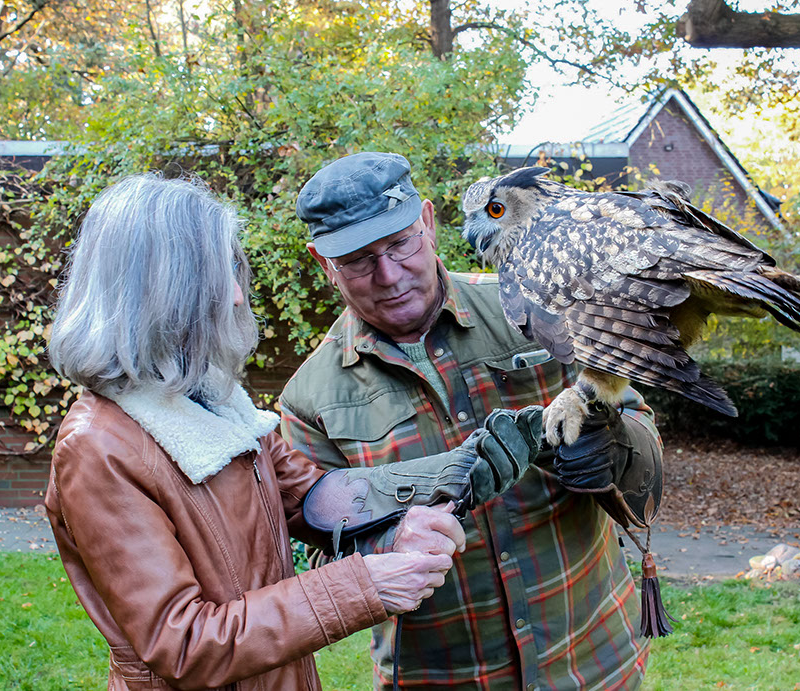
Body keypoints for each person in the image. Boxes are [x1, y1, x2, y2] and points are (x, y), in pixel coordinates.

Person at [43, 172, 542, 691]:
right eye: (216, 275)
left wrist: (437, 489)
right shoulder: (98, 448)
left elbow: (313, 497)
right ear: (160, 293)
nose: (237, 295)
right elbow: (183, 643)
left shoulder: (211, 402)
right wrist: (364, 586)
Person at [280, 152, 664, 689]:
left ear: (428, 222)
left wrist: (616, 445)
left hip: (593, 660)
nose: (388, 275)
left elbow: (641, 433)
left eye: (399, 244)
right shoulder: (309, 399)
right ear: (324, 262)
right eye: (359, 261)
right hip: (445, 678)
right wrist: (389, 543)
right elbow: (321, 547)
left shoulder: (537, 307)